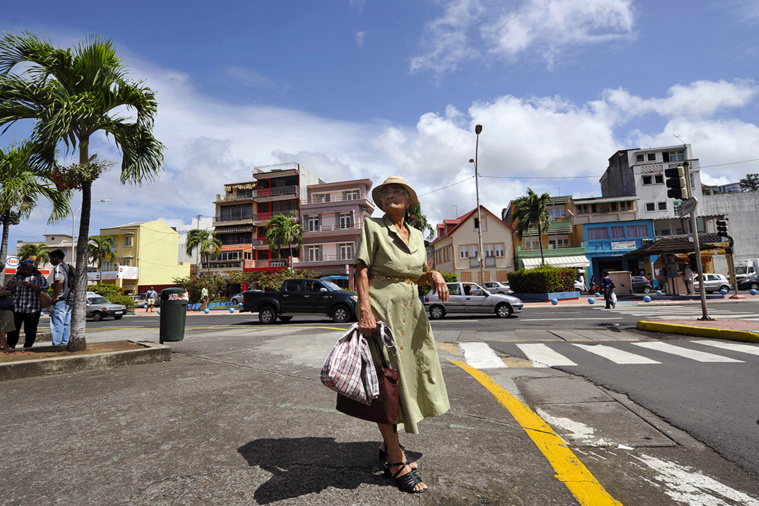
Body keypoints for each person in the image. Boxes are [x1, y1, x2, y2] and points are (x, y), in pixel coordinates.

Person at [356, 176, 450, 494]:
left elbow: (417, 274)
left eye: (398, 192)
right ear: (381, 202)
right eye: (386, 193)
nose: (391, 196)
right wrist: (365, 310)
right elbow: (362, 270)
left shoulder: (418, 235)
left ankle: (388, 441)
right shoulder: (373, 227)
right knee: (387, 382)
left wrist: (434, 274)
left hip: (412, 315)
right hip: (382, 312)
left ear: (409, 202)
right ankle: (396, 459)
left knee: (407, 377)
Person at [5, 260, 49, 349]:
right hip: (16, 308)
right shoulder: (15, 278)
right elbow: (7, 291)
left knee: (30, 330)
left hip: (32, 308)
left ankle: (28, 347)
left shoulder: (39, 277)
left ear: (32, 269)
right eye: (24, 269)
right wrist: (12, 286)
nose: (25, 271)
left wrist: (30, 285)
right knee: (13, 330)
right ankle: (11, 346)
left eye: (28, 269)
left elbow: (44, 288)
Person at [49, 249, 74, 346]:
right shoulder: (68, 267)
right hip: (69, 299)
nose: (50, 261)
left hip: (61, 299)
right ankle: (64, 342)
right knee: (66, 323)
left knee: (57, 323)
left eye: (51, 258)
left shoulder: (59, 267)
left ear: (56, 257)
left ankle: (57, 344)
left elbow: (60, 281)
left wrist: (55, 296)